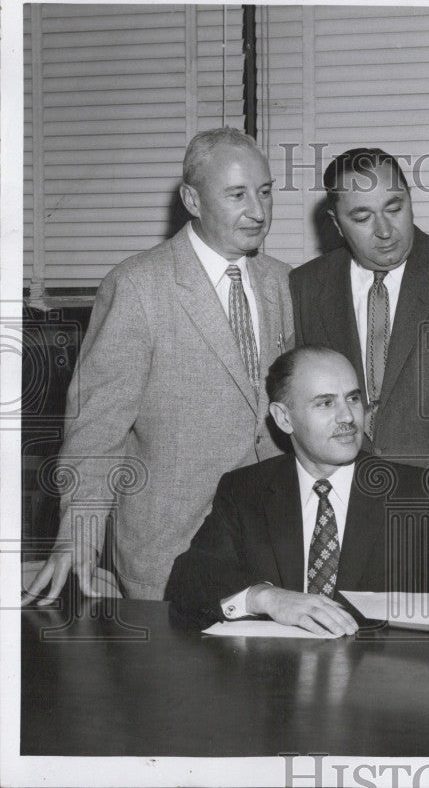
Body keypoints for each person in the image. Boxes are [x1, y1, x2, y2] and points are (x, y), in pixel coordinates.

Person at [24, 127, 295, 602]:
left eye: (265, 192)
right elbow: (97, 427)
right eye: (237, 195)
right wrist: (79, 535)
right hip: (170, 551)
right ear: (192, 199)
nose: (258, 211)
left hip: (271, 549)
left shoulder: (285, 283)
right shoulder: (137, 286)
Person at [289, 148, 429, 573]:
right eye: (362, 217)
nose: (385, 230)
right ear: (336, 224)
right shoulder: (305, 285)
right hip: (341, 519)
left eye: (395, 207)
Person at [165, 346, 429, 632]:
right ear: (283, 418)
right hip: (271, 685)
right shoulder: (246, 490)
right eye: (325, 403)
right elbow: (190, 580)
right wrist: (266, 597)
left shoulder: (419, 494)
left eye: (353, 398)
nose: (348, 416)